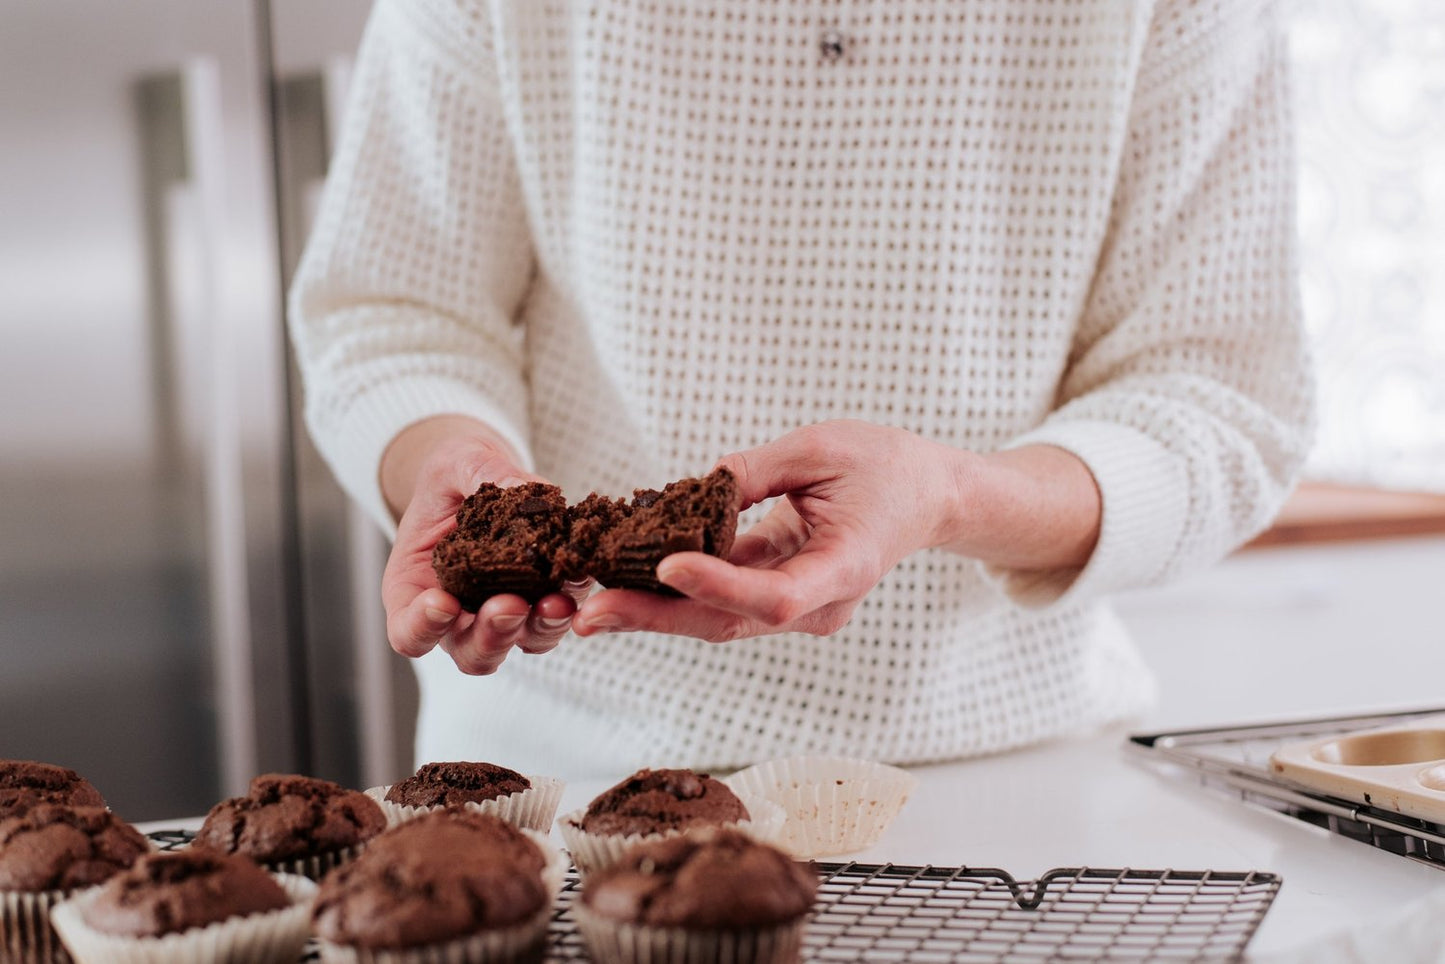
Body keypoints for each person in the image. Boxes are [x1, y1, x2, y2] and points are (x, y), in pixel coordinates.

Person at [288, 0, 1315, 779]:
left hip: (1010, 778)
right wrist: (446, 462)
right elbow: (392, 310)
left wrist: (951, 498)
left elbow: (1215, 395)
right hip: (550, 780)